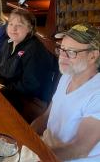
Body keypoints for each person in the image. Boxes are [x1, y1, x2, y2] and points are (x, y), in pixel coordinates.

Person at [31, 23, 100, 161]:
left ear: (93, 56)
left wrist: (38, 156)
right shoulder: (68, 75)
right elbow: (46, 116)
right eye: (62, 49)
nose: (62, 57)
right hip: (46, 148)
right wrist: (27, 135)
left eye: (71, 52)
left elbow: (80, 149)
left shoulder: (96, 94)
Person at [0, 9, 57, 123]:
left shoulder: (34, 50)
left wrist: (4, 88)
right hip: (8, 91)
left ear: (30, 28)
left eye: (19, 25)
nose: (13, 28)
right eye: (11, 24)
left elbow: (30, 85)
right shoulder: (9, 42)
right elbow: (0, 65)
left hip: (28, 101)